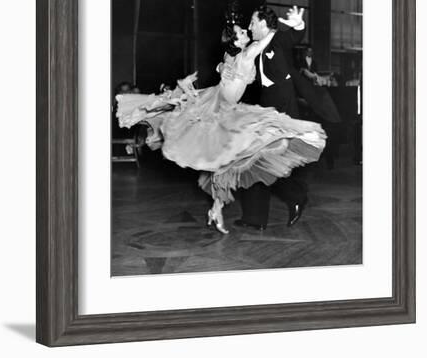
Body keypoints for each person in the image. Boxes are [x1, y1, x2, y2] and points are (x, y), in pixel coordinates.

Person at [116, 18, 326, 234]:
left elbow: (228, 59)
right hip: (220, 110)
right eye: (242, 31)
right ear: (236, 41)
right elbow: (268, 37)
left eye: (247, 28)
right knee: (227, 160)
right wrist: (275, 26)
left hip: (220, 107)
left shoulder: (232, 54)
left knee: (226, 162)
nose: (246, 30)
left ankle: (218, 209)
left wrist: (222, 65)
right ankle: (222, 209)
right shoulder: (248, 51)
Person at [235, 5, 312, 230]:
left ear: (262, 24)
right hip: (264, 108)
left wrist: (299, 24)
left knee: (263, 163)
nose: (249, 27)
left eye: (252, 23)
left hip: (281, 112)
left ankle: (295, 196)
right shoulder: (255, 47)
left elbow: (294, 37)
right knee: (254, 163)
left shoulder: (277, 40)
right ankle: (256, 218)